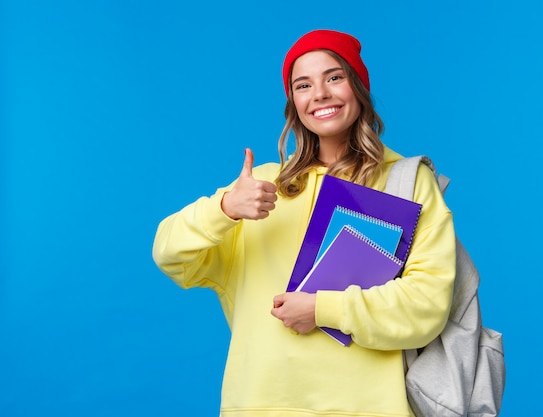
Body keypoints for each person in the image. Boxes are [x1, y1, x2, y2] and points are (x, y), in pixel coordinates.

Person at [152, 29, 456, 417]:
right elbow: (169, 254)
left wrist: (322, 310)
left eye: (334, 77)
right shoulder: (259, 187)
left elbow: (426, 307)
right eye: (303, 85)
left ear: (358, 88)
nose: (320, 94)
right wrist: (225, 208)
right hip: (258, 406)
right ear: (293, 102)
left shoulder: (405, 183)